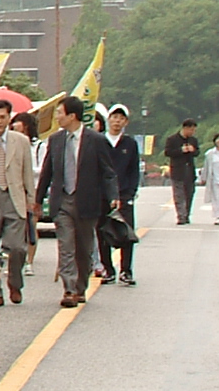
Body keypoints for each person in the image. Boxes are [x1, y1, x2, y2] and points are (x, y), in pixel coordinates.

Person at [37, 98, 117, 306]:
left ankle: (81, 286)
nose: (57, 117)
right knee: (66, 246)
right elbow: (47, 172)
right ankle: (69, 289)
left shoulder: (96, 140)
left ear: (72, 116)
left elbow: (108, 172)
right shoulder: (55, 141)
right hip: (62, 200)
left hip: (87, 201)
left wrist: (113, 196)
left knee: (84, 247)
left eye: (60, 113)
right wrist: (38, 200)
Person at [0, 102, 36, 305]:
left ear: (9, 119)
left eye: (2, 117)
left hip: (14, 196)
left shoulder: (20, 141)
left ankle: (15, 281)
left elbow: (27, 172)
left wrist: (31, 200)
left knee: (17, 247)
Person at [102, 105, 143, 285]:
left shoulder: (130, 144)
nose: (117, 121)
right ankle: (108, 269)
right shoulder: (100, 141)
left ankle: (126, 270)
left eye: (121, 118)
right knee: (103, 232)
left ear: (126, 122)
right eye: (114, 117)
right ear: (108, 119)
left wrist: (130, 192)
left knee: (126, 232)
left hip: (124, 193)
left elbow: (134, 170)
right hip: (102, 194)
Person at [165, 116, 204, 227]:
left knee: (189, 193)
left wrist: (193, 150)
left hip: (189, 170)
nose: (192, 132)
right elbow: (167, 152)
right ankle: (181, 216)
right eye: (191, 130)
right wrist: (180, 150)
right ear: (185, 128)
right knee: (179, 194)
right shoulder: (172, 139)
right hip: (178, 170)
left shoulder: (193, 140)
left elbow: (197, 153)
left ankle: (186, 214)